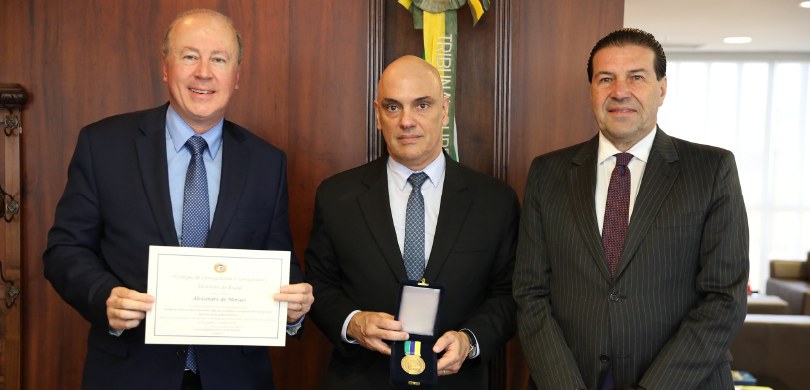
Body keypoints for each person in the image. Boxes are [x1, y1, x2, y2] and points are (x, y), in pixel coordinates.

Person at [43, 9, 314, 389]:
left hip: (234, 378)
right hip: (129, 374)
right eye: (189, 56)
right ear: (165, 68)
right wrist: (103, 296)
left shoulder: (268, 163)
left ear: (236, 76)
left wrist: (294, 309)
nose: (204, 72)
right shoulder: (103, 145)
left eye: (219, 59)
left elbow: (281, 265)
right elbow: (64, 250)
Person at [513, 28, 749, 389]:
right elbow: (530, 293)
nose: (619, 91)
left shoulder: (711, 170)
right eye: (605, 78)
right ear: (591, 90)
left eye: (636, 77)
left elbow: (723, 300)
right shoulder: (548, 173)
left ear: (662, 88)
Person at [305, 55, 519, 389]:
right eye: (393, 108)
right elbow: (319, 282)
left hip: (457, 381)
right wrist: (352, 322)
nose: (407, 121)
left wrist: (470, 340)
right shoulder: (336, 196)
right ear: (378, 114)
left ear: (444, 110)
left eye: (422, 105)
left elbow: (508, 293)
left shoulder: (495, 201)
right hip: (362, 378)